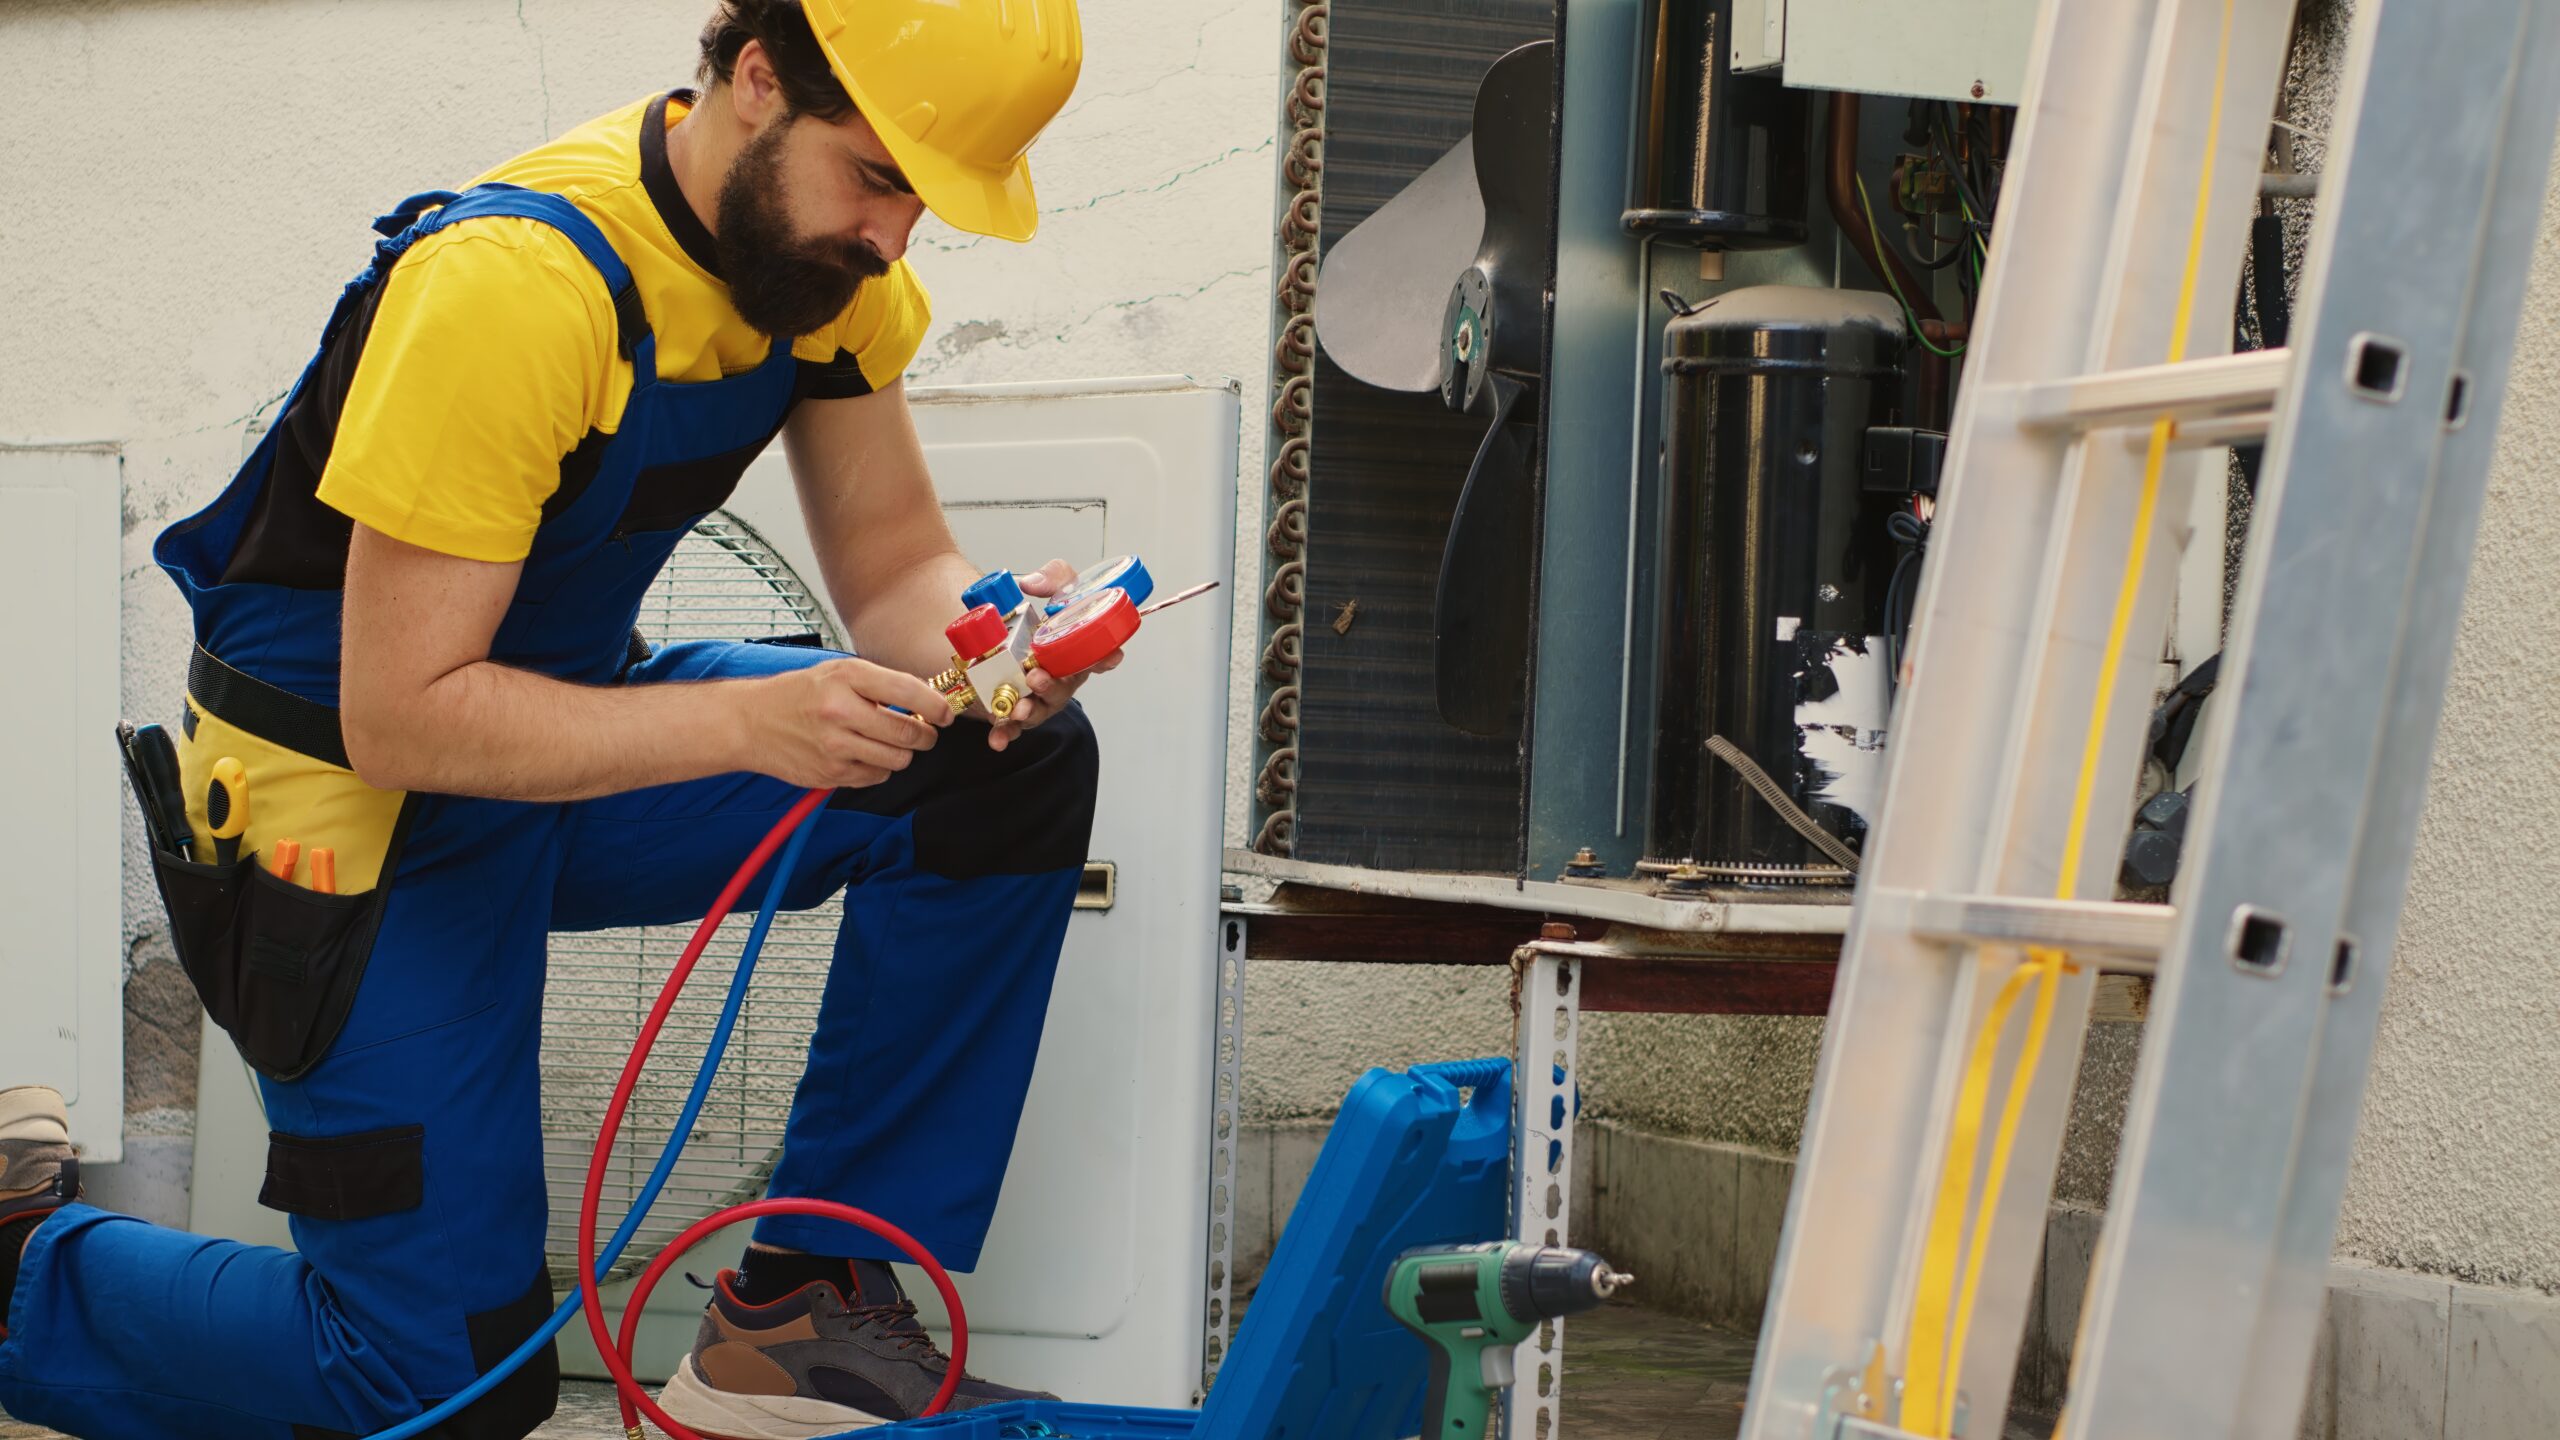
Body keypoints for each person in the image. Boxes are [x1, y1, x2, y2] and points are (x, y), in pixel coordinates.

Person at [0, 2, 1103, 1436]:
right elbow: (401, 719)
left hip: (554, 749)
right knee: (444, 1392)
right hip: (352, 814)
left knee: (992, 767)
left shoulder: (819, 279)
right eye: (879, 177)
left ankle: (801, 1315)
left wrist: (995, 633)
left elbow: (897, 570)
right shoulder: (517, 288)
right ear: (759, 80)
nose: (895, 239)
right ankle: (21, 1272)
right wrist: (755, 725)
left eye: (926, 203)